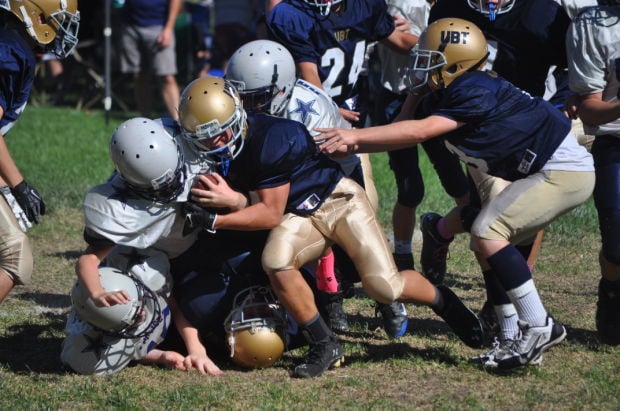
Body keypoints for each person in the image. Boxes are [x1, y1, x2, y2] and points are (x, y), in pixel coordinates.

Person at [315, 18, 595, 370]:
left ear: (456, 62)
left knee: (487, 231)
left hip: (561, 171)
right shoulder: (449, 90)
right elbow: (406, 124)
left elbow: (420, 131)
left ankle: (538, 325)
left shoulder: (473, 87)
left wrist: (355, 138)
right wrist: (416, 94)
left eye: (432, 59)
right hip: (538, 169)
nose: (424, 66)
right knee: (484, 240)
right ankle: (509, 336)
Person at [178, 76, 484, 378]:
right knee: (275, 261)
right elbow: (267, 206)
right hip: (298, 214)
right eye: (204, 137)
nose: (214, 142)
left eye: (220, 132)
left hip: (338, 201)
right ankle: (325, 344)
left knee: (384, 287)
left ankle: (442, 299)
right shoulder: (219, 153)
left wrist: (216, 219)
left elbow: (269, 214)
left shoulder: (273, 137)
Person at [225, 38, 408, 338]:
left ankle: (388, 297)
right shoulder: (252, 106)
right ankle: (329, 294)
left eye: (255, 98)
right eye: (239, 96)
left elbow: (321, 183)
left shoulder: (309, 114)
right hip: (291, 181)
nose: (245, 106)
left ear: (280, 90)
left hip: (339, 171)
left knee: (357, 243)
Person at [266, 0, 417, 332]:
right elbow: (309, 75)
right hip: (305, 118)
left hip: (345, 125)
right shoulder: (290, 14)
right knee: (313, 209)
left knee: (362, 210)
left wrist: (440, 51)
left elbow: (402, 42)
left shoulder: (364, 7)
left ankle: (385, 295)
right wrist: (328, 111)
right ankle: (330, 294)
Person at [60, 117, 249, 375]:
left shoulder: (190, 143)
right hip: (166, 258)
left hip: (209, 236)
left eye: (172, 179)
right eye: (159, 186)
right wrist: (95, 293)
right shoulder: (120, 208)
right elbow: (88, 259)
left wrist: (236, 201)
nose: (171, 188)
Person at [373, 0, 470, 277]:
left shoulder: (457, 6)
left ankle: (478, 241)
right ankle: (402, 256)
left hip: (438, 97)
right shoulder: (402, 3)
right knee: (410, 187)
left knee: (457, 180)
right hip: (399, 95)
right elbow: (397, 41)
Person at [0, 0, 79, 305]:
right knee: (15, 258)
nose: (62, 27)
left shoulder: (10, 42)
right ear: (36, 15)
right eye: (58, 19)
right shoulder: (11, 52)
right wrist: (19, 186)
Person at [565, 1, 620, 346]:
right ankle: (612, 291)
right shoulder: (593, 25)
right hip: (615, 139)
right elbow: (589, 109)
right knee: (616, 247)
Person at [119, 0, 182, 120]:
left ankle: (178, 122)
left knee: (167, 76)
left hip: (159, 27)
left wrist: (168, 28)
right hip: (131, 25)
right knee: (139, 75)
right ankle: (145, 120)